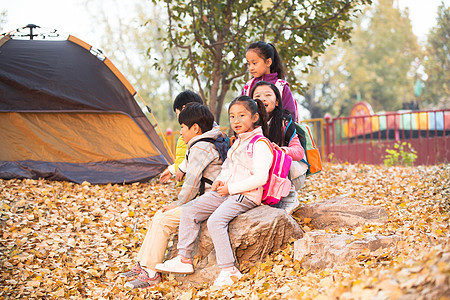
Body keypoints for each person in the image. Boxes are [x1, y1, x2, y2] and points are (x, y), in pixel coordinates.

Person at [155, 96, 273, 287]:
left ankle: (229, 270)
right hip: (228, 191)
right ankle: (184, 258)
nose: (236, 121)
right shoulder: (237, 142)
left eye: (242, 115)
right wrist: (220, 181)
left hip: (246, 195)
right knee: (190, 209)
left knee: (216, 221)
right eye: (232, 116)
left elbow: (261, 178)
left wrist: (231, 188)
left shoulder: (259, 144)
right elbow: (227, 168)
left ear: (255, 117)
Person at [120, 103, 224, 289]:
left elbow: (192, 184)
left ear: (195, 128)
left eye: (182, 127)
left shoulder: (201, 148)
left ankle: (151, 273)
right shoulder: (203, 143)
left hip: (209, 200)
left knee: (164, 219)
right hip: (202, 199)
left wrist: (178, 204)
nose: (180, 132)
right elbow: (186, 166)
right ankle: (143, 264)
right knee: (160, 215)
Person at [250, 81, 307, 214]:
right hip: (265, 174)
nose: (262, 98)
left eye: (268, 95)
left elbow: (299, 152)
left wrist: (282, 150)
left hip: (292, 173)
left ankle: (290, 199)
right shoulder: (249, 125)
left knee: (277, 157)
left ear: (276, 102)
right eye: (257, 95)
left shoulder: (284, 122)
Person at [242, 41, 297, 121]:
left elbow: (290, 115)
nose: (251, 68)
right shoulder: (248, 86)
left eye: (254, 63)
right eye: (248, 64)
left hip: (277, 131)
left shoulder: (281, 86)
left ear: (268, 62)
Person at [159, 90, 204, 185]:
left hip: (193, 186)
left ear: (184, 109)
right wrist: (172, 170)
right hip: (186, 183)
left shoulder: (194, 133)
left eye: (177, 113)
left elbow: (193, 157)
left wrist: (180, 169)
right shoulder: (189, 131)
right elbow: (184, 158)